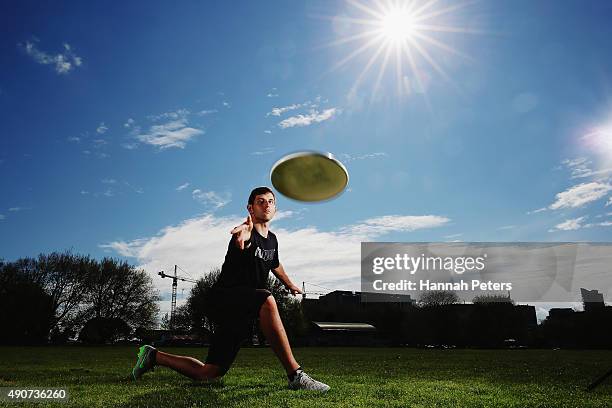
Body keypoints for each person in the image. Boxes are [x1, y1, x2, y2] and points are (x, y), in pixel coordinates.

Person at [132, 186, 330, 391]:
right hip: (224, 299)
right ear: (250, 207)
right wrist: (242, 236)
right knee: (267, 299)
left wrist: (289, 284)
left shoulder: (272, 239)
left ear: (275, 209)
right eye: (260, 201)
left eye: (270, 202)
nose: (266, 205)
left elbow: (275, 264)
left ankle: (153, 355)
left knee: (208, 373)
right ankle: (295, 375)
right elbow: (242, 238)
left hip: (242, 310)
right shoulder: (247, 231)